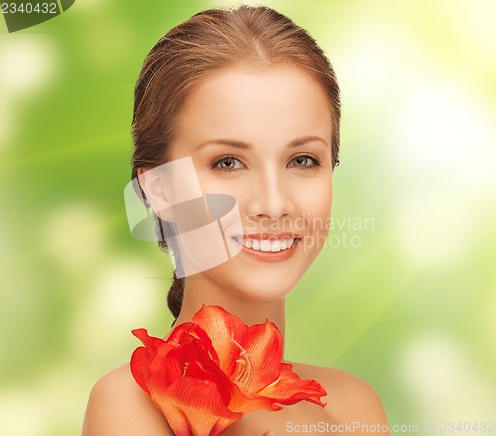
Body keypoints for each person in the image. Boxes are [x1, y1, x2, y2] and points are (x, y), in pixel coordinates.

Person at [82, 5, 391, 435]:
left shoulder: (356, 405)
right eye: (228, 162)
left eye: (303, 159)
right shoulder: (131, 402)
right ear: (159, 190)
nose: (274, 202)